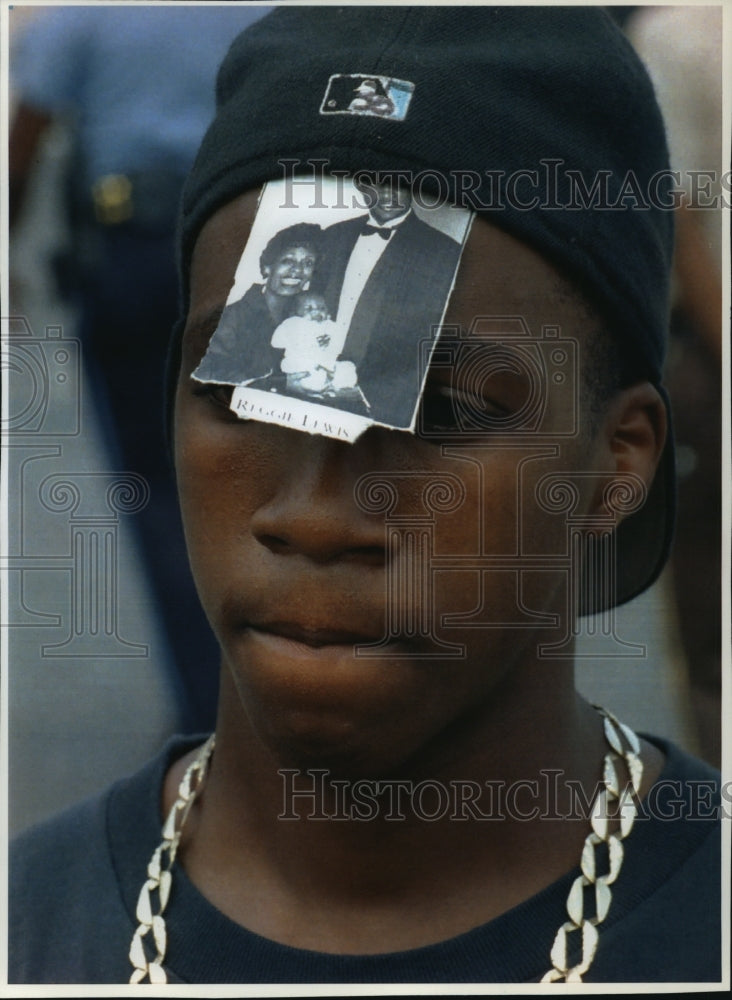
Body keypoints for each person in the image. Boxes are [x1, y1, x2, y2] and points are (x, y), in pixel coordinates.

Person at [9, 7, 723, 986]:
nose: (312, 510)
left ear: (619, 462)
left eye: (447, 407)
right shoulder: (32, 933)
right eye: (245, 393)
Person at [315, 175, 463, 425]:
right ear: (362, 187)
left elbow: (435, 335)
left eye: (399, 184)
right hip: (315, 378)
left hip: (386, 396)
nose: (388, 193)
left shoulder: (444, 252)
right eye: (378, 183)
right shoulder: (333, 235)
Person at [193, 223, 323, 386]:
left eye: (308, 263)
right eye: (288, 260)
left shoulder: (308, 317)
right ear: (267, 267)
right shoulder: (232, 317)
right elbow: (204, 371)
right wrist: (275, 384)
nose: (297, 270)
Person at [271, 291, 356, 396]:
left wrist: (331, 339)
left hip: (327, 364)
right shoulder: (293, 323)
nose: (316, 312)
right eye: (309, 309)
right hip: (301, 362)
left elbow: (338, 348)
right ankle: (321, 385)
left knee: (348, 367)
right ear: (294, 313)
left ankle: (337, 385)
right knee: (305, 370)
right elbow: (276, 342)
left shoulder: (330, 326)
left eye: (322, 308)